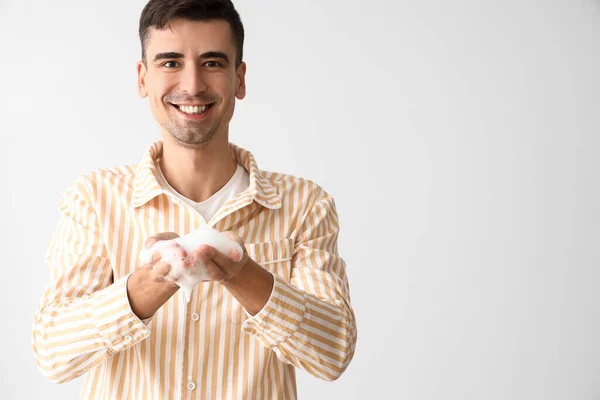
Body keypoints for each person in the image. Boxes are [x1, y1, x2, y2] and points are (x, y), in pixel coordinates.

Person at [31, 0, 357, 398]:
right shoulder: (95, 200)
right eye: (170, 62)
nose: (192, 85)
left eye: (213, 63)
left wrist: (244, 275)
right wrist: (149, 284)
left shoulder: (305, 205)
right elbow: (52, 354)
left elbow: (332, 354)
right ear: (142, 78)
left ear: (239, 79)